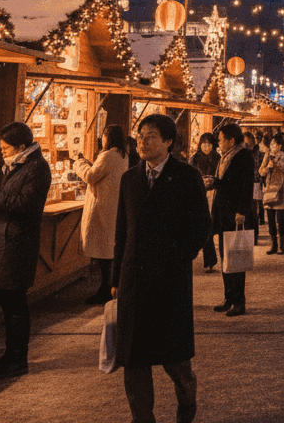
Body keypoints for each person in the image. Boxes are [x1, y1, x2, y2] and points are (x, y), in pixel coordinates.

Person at [112, 114, 212, 423]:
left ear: (169, 142)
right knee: (134, 360)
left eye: (151, 136)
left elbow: (201, 226)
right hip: (133, 280)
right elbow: (121, 231)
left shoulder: (186, 176)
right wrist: (116, 278)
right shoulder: (130, 179)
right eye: (140, 135)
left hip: (169, 281)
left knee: (175, 361)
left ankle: (187, 406)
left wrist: (179, 257)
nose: (142, 142)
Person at [0, 121, 52, 379]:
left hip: (16, 245)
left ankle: (17, 359)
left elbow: (26, 203)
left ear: (20, 146)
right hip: (7, 243)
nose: (2, 152)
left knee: (15, 304)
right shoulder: (19, 165)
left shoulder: (35, 168)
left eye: (5, 148)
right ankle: (11, 356)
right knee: (9, 303)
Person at [73, 124, 128, 304]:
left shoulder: (108, 155)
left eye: (103, 136)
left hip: (102, 209)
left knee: (104, 254)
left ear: (107, 138)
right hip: (111, 209)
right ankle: (107, 288)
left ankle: (105, 290)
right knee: (107, 252)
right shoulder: (122, 155)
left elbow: (90, 177)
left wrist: (79, 162)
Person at [205, 122, 256, 317]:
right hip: (222, 213)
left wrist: (242, 211)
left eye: (220, 139)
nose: (218, 143)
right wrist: (214, 182)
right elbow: (225, 182)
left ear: (231, 140)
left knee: (236, 259)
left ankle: (239, 301)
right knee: (225, 258)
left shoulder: (243, 156)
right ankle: (228, 297)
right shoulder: (225, 156)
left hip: (235, 215)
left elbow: (246, 186)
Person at [259, 133, 284, 254]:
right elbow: (261, 171)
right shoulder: (267, 155)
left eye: (273, 144)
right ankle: (273, 245)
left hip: (281, 191)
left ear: (279, 146)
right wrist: (267, 168)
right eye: (271, 144)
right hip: (270, 191)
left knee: (280, 221)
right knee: (270, 220)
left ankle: (281, 245)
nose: (271, 146)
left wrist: (279, 163)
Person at [191, 133, 220, 271]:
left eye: (209, 144)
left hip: (215, 196)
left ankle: (211, 260)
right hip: (199, 196)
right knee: (202, 229)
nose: (206, 147)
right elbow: (190, 177)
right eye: (204, 144)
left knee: (212, 229)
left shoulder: (218, 159)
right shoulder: (195, 159)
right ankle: (208, 260)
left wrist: (213, 181)